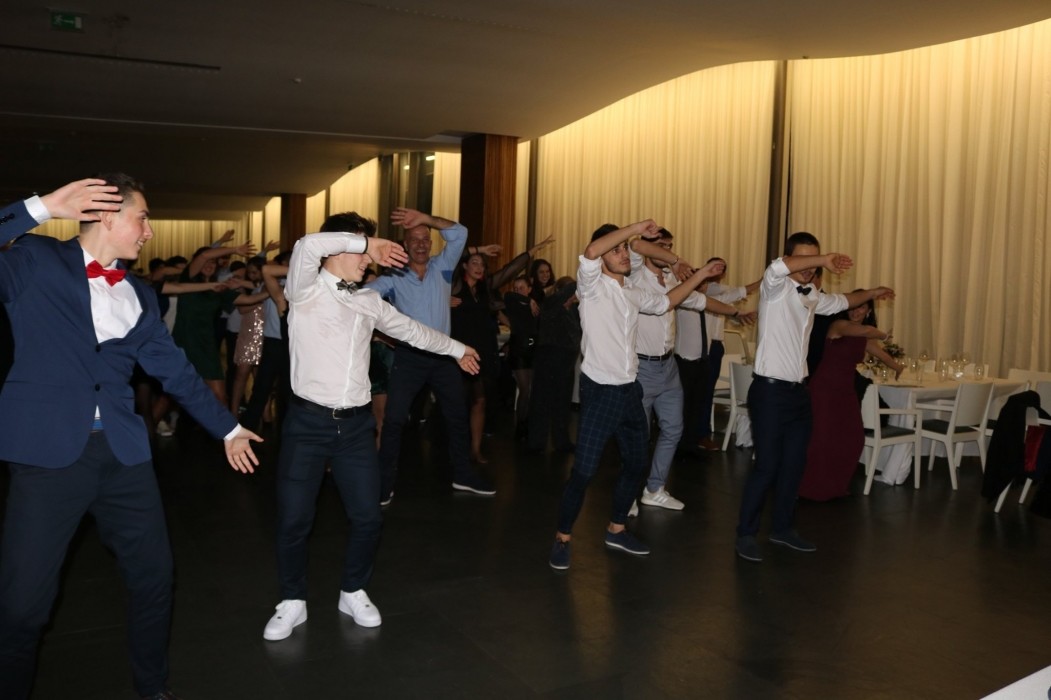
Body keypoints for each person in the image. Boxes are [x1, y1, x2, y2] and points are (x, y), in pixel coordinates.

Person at [0, 176, 261, 700]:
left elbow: (175, 370)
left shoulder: (139, 292)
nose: (149, 231)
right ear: (106, 216)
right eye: (142, 218)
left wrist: (228, 428)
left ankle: (152, 687)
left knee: (154, 579)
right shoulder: (35, 260)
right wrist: (41, 207)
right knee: (23, 607)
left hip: (123, 455)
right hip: (49, 456)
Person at [261, 212, 480, 642]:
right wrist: (368, 243)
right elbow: (306, 245)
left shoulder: (368, 301)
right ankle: (292, 600)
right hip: (307, 425)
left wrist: (457, 348)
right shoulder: (304, 288)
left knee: (367, 517)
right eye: (361, 250)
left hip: (356, 428)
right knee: (293, 520)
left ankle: (353, 590)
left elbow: (414, 331)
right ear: (339, 247)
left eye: (369, 251)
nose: (369, 261)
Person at [548, 220, 715, 571]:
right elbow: (591, 251)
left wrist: (700, 275)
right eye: (616, 250)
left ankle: (617, 528)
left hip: (630, 389)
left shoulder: (632, 293)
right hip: (600, 390)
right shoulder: (592, 286)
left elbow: (667, 302)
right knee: (584, 471)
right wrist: (635, 228)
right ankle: (562, 537)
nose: (623, 254)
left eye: (624, 249)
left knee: (637, 463)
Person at [734, 231, 893, 563]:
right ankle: (746, 535)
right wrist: (822, 260)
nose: (809, 267)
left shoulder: (813, 296)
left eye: (814, 260)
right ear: (792, 257)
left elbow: (844, 301)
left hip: (799, 393)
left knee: (795, 465)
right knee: (767, 467)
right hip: (769, 391)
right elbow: (778, 267)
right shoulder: (775, 287)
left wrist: (873, 292)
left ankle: (782, 529)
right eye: (803, 259)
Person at [365, 208, 495, 501]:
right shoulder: (394, 277)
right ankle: (384, 484)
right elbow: (364, 298)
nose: (421, 244)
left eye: (426, 239)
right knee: (394, 421)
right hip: (409, 359)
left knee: (457, 417)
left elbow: (460, 233)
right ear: (405, 245)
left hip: (443, 359)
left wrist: (426, 219)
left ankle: (462, 475)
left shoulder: (443, 266)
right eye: (415, 239)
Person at [627, 229, 744, 513]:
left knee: (673, 429)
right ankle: (627, 495)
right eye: (661, 246)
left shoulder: (671, 280)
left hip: (668, 366)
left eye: (670, 246)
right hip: (642, 367)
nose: (666, 251)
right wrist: (677, 259)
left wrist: (736, 313)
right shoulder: (635, 273)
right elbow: (636, 243)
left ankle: (654, 488)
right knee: (637, 436)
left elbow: (700, 301)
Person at [799, 296, 902, 501]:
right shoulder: (839, 325)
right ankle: (808, 487)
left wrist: (898, 367)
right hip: (825, 388)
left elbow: (880, 353)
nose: (856, 311)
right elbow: (866, 331)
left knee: (853, 439)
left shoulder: (862, 336)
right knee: (820, 439)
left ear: (868, 311)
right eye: (853, 307)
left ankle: (834, 485)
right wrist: (883, 334)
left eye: (861, 308)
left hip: (845, 390)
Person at [692, 258, 760, 450]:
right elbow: (737, 293)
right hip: (696, 347)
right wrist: (762, 281)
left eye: (720, 268)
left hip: (714, 346)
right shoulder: (699, 291)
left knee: (706, 393)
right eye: (714, 266)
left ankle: (701, 434)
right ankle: (694, 434)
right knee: (696, 393)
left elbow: (735, 296)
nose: (716, 271)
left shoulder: (720, 291)